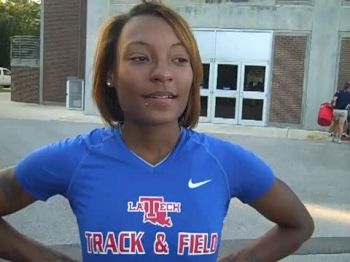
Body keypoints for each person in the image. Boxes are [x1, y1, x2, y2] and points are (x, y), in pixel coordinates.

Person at [0, 1, 314, 261]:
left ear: (193, 74)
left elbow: (299, 224)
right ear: (110, 73)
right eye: (140, 58)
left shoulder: (225, 162)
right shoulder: (76, 158)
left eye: (179, 59)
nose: (163, 73)